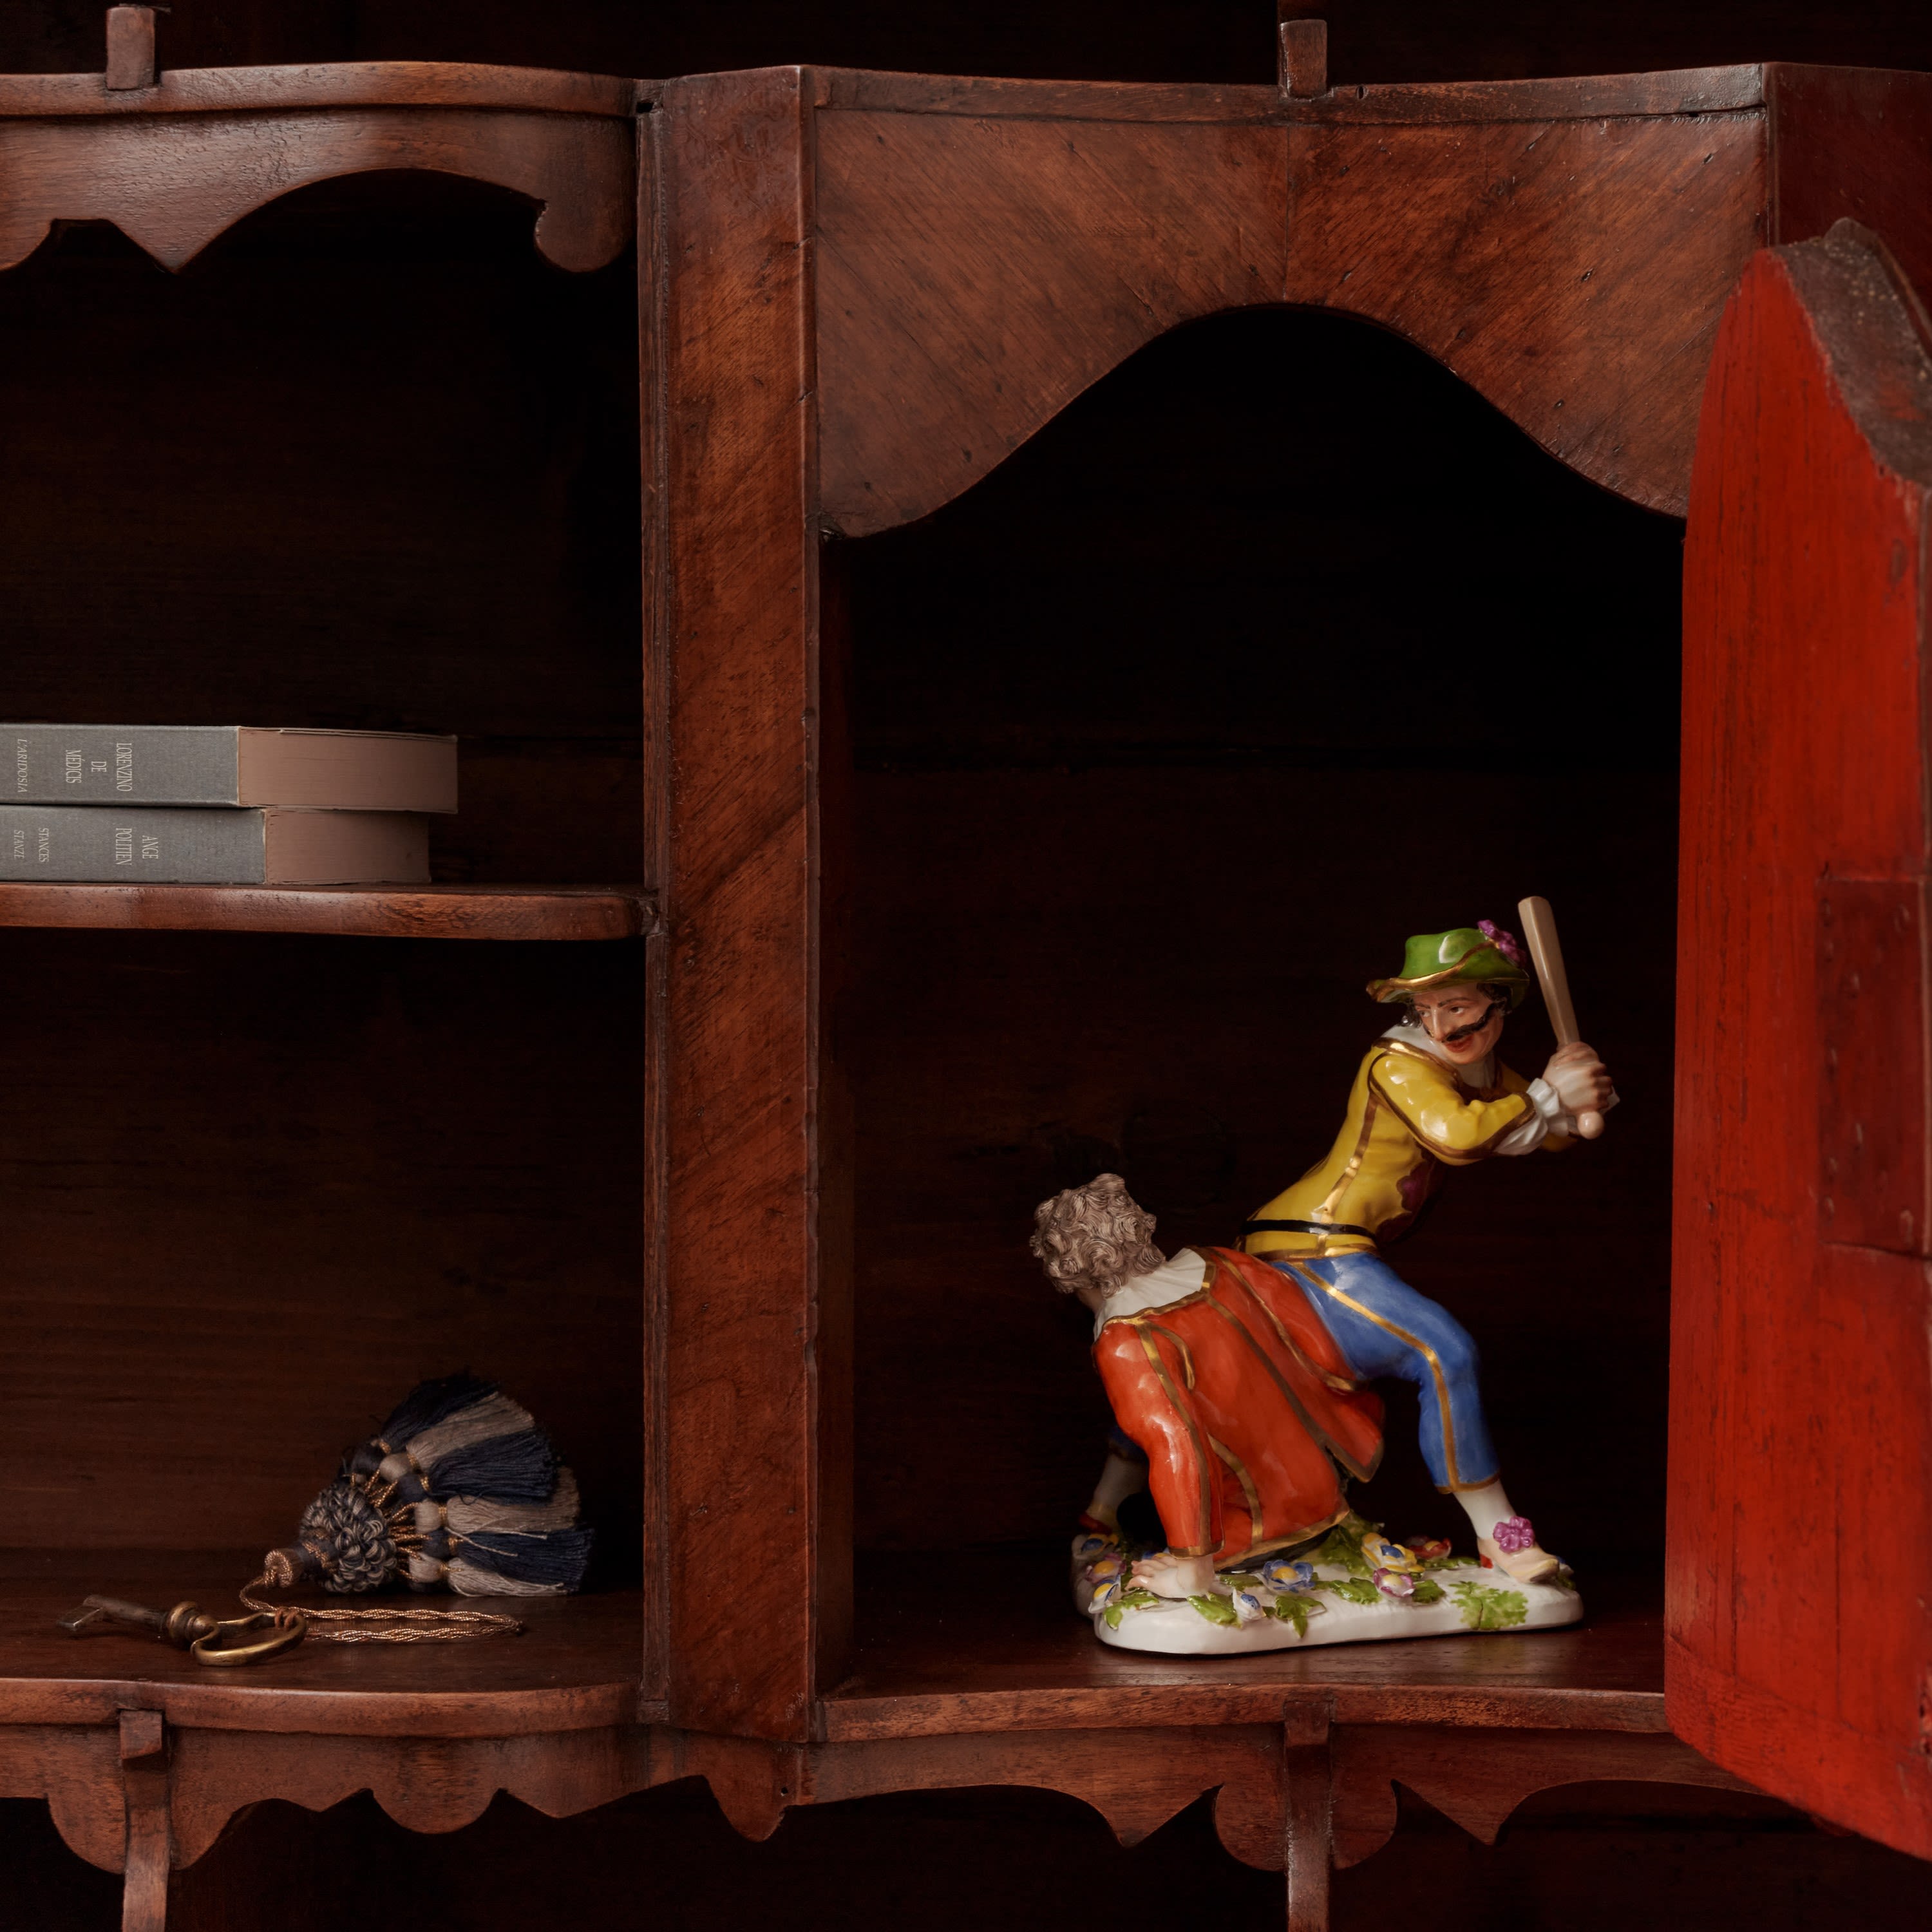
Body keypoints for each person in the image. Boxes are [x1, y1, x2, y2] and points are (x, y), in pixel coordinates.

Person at [1240, 921, 1615, 1584]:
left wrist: (1582, 1092)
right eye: (1425, 1009)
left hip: (1344, 1247)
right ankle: (1500, 1535)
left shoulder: (1480, 1068)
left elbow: (1543, 1131)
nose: (1441, 1026)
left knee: (1441, 1354)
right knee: (1444, 1352)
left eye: (1458, 1006)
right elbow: (1458, 1138)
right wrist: (1549, 1095)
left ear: (1499, 1005)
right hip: (1306, 1246)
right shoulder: (1397, 1064)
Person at [1031, 1173, 1385, 1598]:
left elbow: (1178, 1445)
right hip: (1327, 1491)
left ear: (1069, 1272)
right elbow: (1327, 1356)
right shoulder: (1225, 1263)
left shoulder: (1127, 1340)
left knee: (1137, 1517)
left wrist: (1191, 1568)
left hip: (1254, 1529)